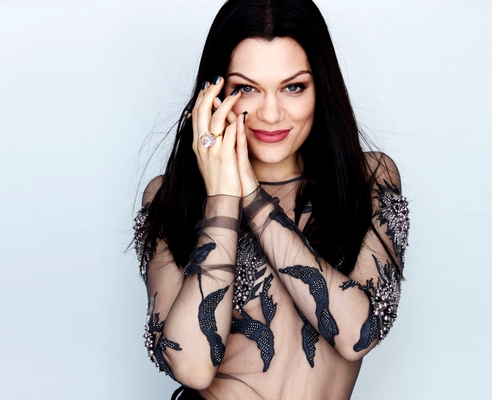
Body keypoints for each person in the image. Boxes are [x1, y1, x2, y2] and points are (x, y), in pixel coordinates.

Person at [133, 0, 410, 398]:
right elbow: (191, 367)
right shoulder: (169, 197)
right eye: (246, 88)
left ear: (321, 87)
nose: (271, 113)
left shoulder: (367, 180)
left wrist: (250, 192)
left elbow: (357, 334)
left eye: (293, 87)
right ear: (215, 96)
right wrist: (223, 196)